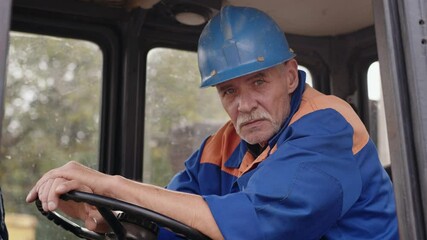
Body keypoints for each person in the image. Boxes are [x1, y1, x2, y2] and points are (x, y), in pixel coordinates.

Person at [26, 5, 399, 240]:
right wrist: (104, 215)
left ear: (289, 76)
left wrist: (110, 184)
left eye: (258, 82)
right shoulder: (225, 144)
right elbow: (171, 214)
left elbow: (255, 227)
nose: (244, 106)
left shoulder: (326, 127)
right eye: (228, 91)